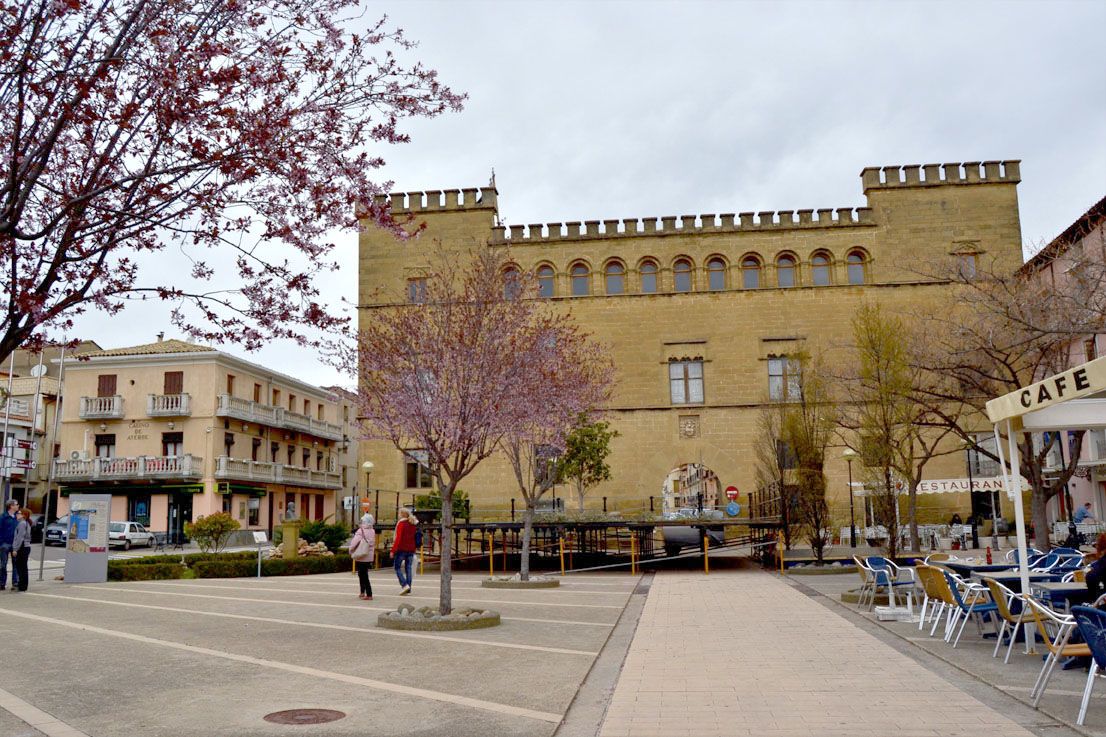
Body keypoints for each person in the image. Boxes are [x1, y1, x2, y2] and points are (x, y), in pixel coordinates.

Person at [391, 508, 419, 595]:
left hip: (401, 549)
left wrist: (393, 550)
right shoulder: (412, 523)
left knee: (397, 567)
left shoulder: (401, 524)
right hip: (411, 549)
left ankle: (404, 585)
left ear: (402, 514)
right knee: (408, 569)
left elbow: (398, 538)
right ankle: (409, 588)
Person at [350, 513, 376, 600]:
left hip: (361, 555)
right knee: (363, 574)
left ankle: (368, 594)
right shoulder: (372, 531)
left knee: (362, 575)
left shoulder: (361, 530)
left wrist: (350, 550)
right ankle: (362, 592)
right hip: (368, 555)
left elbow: (354, 542)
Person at [11, 508, 32, 592]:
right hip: (25, 547)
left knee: (21, 567)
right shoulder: (25, 523)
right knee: (22, 567)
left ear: (23, 515)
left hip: (22, 547)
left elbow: (20, 537)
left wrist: (15, 549)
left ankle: (22, 586)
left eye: (18, 513)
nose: (17, 514)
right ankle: (22, 585)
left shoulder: (22, 524)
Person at [0, 500, 19, 591]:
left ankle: (15, 583)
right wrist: (1, 542)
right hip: (5, 544)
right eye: (16, 504)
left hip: (15, 544)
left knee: (16, 564)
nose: (18, 506)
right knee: (3, 564)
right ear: (11, 506)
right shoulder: (3, 517)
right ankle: (2, 583)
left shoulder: (17, 517)